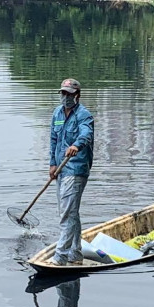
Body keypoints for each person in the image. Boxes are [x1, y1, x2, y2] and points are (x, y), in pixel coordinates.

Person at [49, 78, 94, 266]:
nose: (65, 97)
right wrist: (52, 164)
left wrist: (76, 145)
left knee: (66, 214)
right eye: (63, 93)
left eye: (69, 94)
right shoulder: (57, 113)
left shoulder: (84, 115)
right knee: (70, 213)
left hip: (75, 169)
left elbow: (86, 134)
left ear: (77, 95)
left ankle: (60, 257)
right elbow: (53, 139)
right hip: (60, 169)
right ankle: (75, 254)